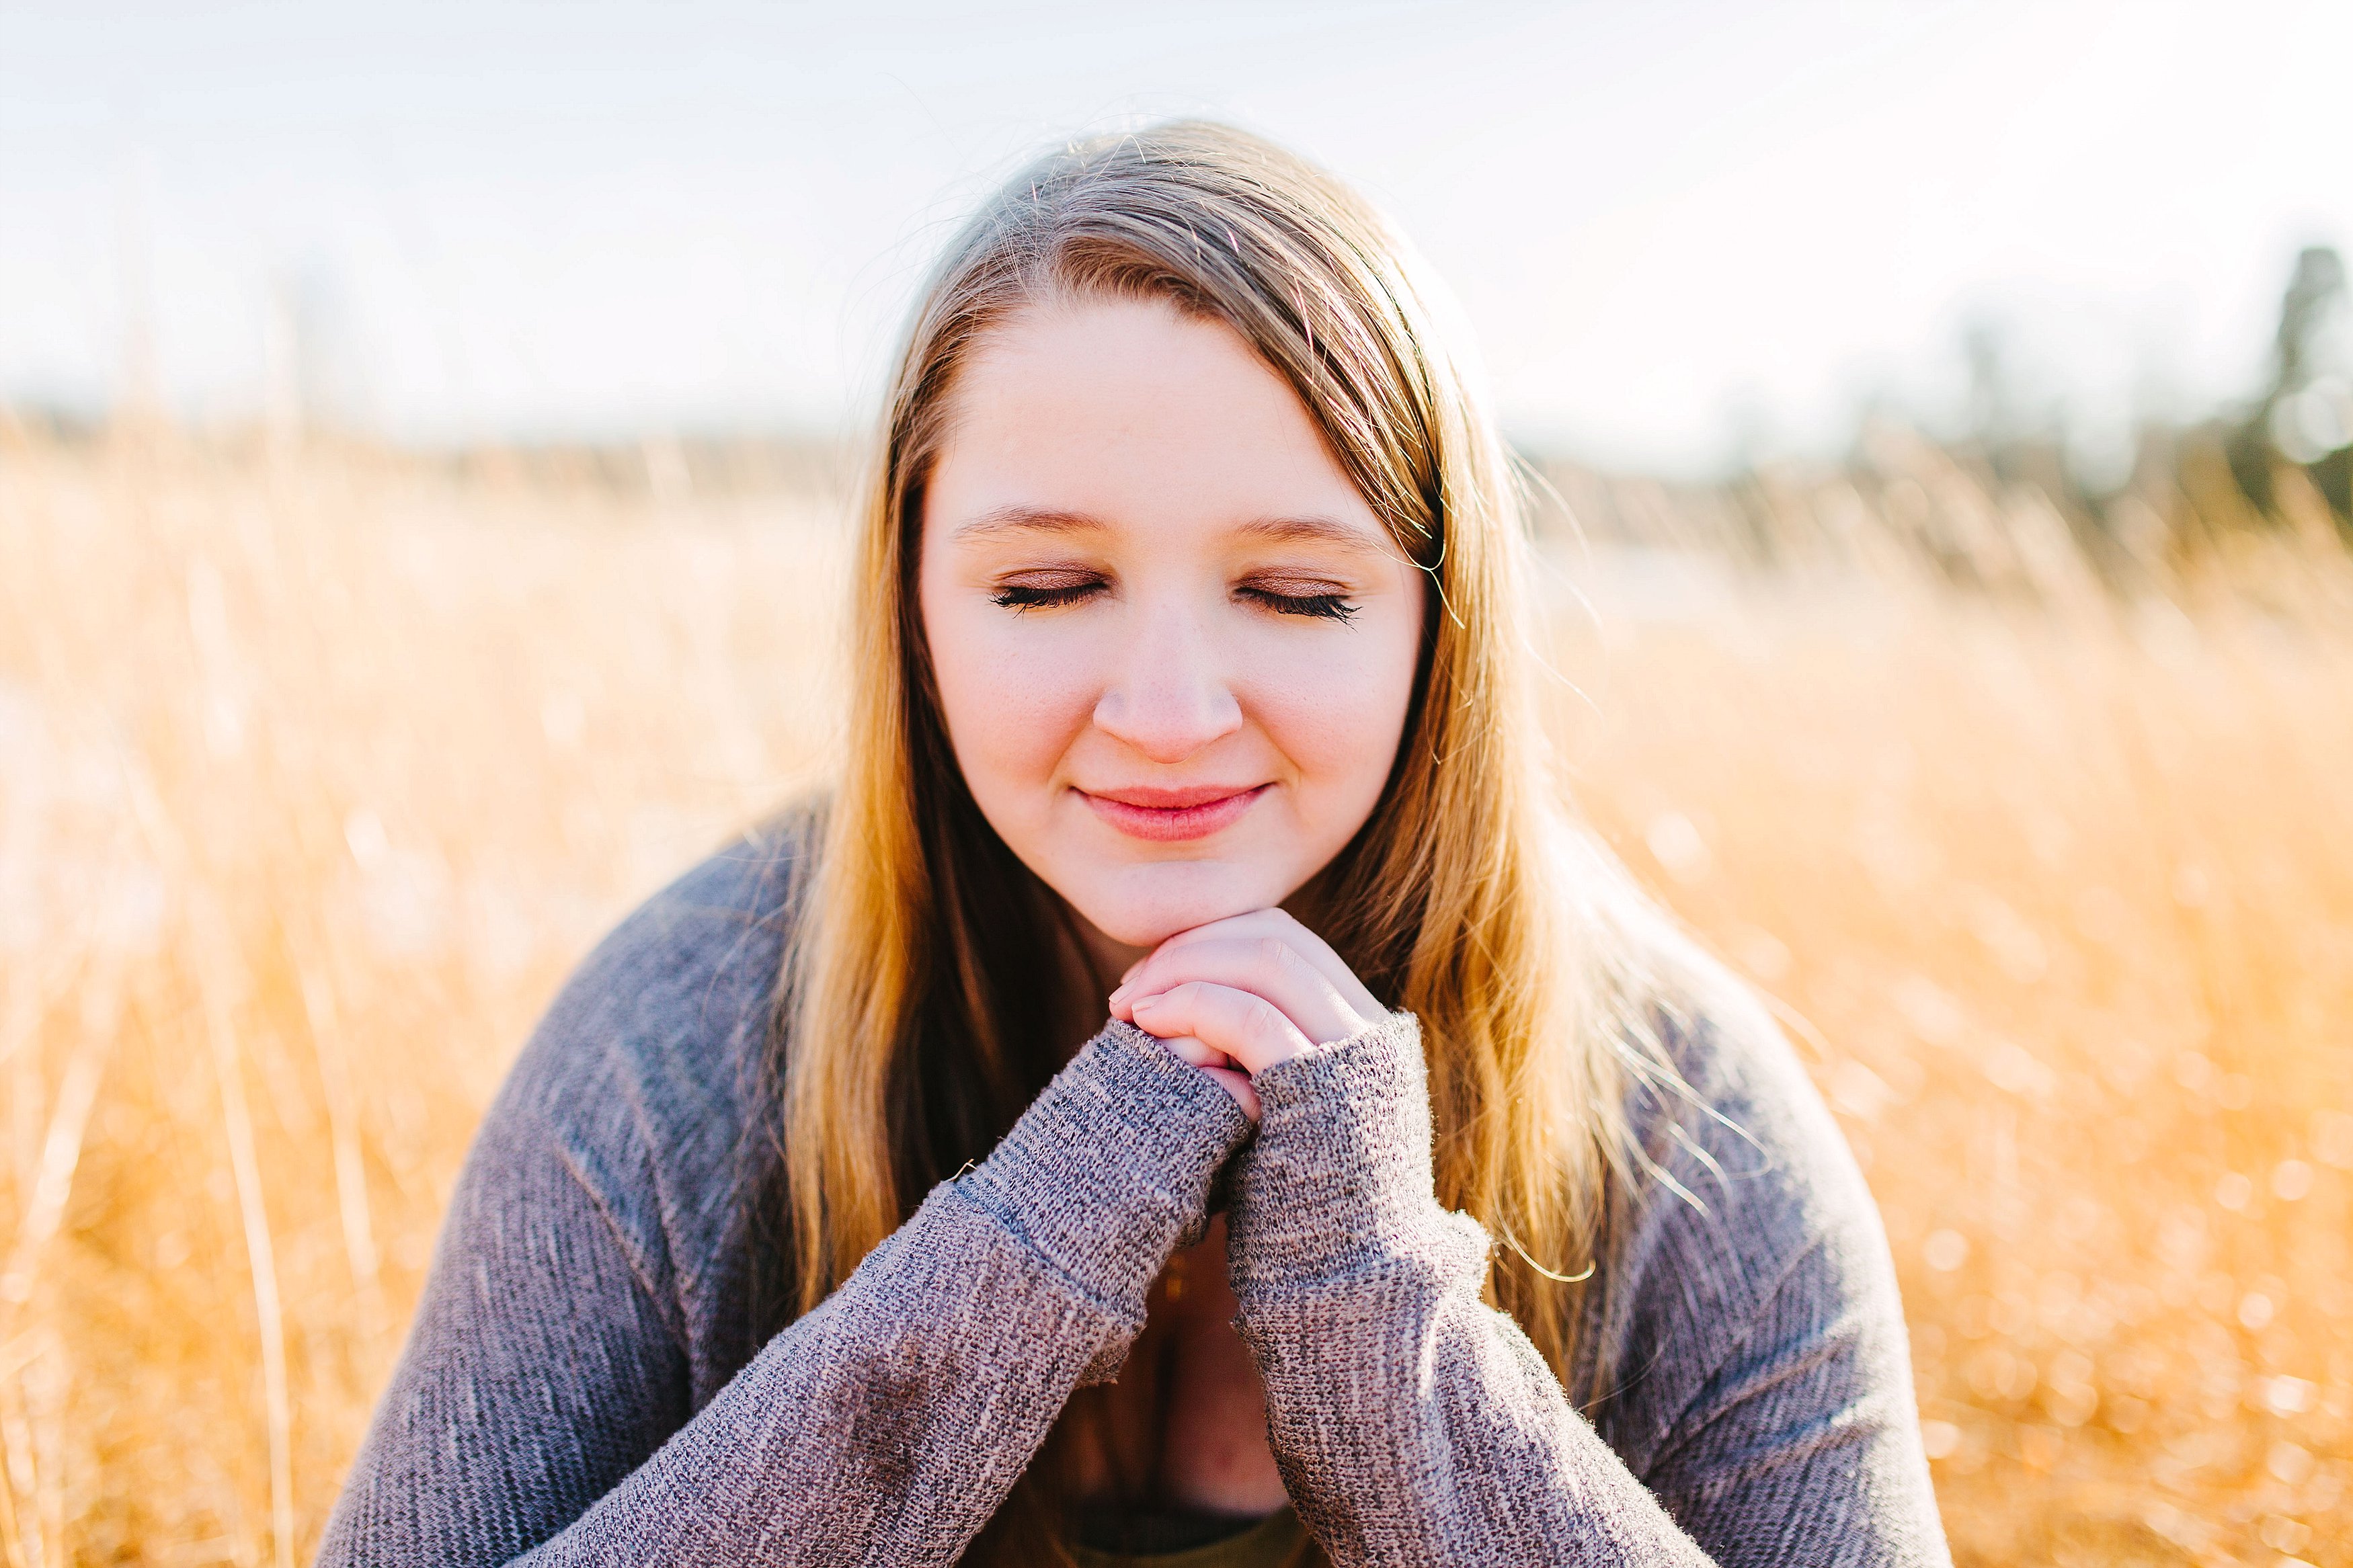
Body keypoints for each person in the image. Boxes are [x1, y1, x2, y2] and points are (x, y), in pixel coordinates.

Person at [316, 121, 1952, 1567]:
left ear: (1437, 632)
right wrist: (1028, 1252)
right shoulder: (678, 1048)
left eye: (1296, 595)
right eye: (1046, 588)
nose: (1168, 713)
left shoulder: (1684, 1124)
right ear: (912, 615)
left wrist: (1378, 1326)